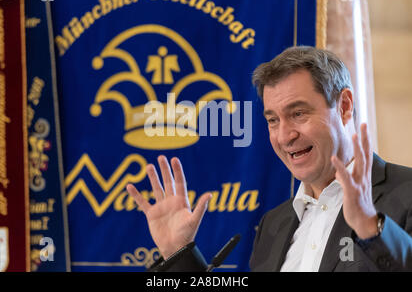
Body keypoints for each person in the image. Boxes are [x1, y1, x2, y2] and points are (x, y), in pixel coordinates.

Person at [127, 46, 412, 271]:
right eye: (273, 120)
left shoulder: (405, 194)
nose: (284, 136)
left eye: (298, 113)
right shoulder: (274, 225)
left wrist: (371, 229)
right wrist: (179, 255)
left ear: (344, 106)